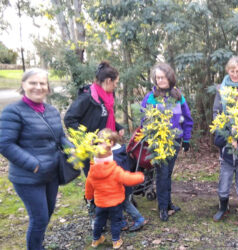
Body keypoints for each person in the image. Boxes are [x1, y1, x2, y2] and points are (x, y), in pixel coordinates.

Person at [0, 68, 69, 250]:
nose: (38, 87)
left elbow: (60, 136)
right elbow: (5, 144)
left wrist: (73, 149)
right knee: (39, 219)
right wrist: (34, 165)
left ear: (47, 87)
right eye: (32, 83)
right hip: (28, 177)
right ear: (23, 85)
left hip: (51, 174)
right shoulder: (13, 112)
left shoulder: (52, 111)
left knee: (46, 215)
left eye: (42, 83)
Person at [141, 62, 193, 221]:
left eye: (163, 77)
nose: (160, 80)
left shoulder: (178, 96)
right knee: (162, 174)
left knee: (168, 173)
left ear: (170, 77)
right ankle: (162, 207)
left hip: (174, 141)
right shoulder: (150, 97)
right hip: (158, 142)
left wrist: (186, 138)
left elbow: (187, 119)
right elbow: (144, 120)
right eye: (157, 78)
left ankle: (168, 203)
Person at [212, 56, 238, 230]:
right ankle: (223, 207)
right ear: (227, 71)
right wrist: (225, 130)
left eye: (237, 71)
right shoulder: (222, 89)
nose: (235, 74)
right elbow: (216, 111)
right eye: (231, 71)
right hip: (226, 144)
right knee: (223, 186)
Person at [85, 130, 145, 249]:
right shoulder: (115, 170)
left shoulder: (92, 172)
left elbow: (89, 187)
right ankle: (116, 241)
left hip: (101, 203)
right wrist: (140, 177)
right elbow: (127, 178)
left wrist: (89, 197)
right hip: (115, 202)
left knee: (99, 221)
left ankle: (96, 240)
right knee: (115, 221)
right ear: (111, 157)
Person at [64, 61, 124, 176]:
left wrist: (117, 127)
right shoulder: (88, 97)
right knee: (96, 184)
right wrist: (85, 137)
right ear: (108, 81)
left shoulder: (109, 96)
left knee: (109, 181)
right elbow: (69, 119)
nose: (116, 86)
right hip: (92, 149)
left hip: (107, 146)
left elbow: (104, 117)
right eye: (116, 83)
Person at [99, 128, 148, 231]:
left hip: (119, 186)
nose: (99, 146)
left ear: (111, 143)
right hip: (124, 185)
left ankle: (137, 219)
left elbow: (115, 173)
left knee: (121, 204)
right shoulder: (120, 150)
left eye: (100, 143)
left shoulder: (114, 157)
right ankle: (124, 222)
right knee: (123, 204)